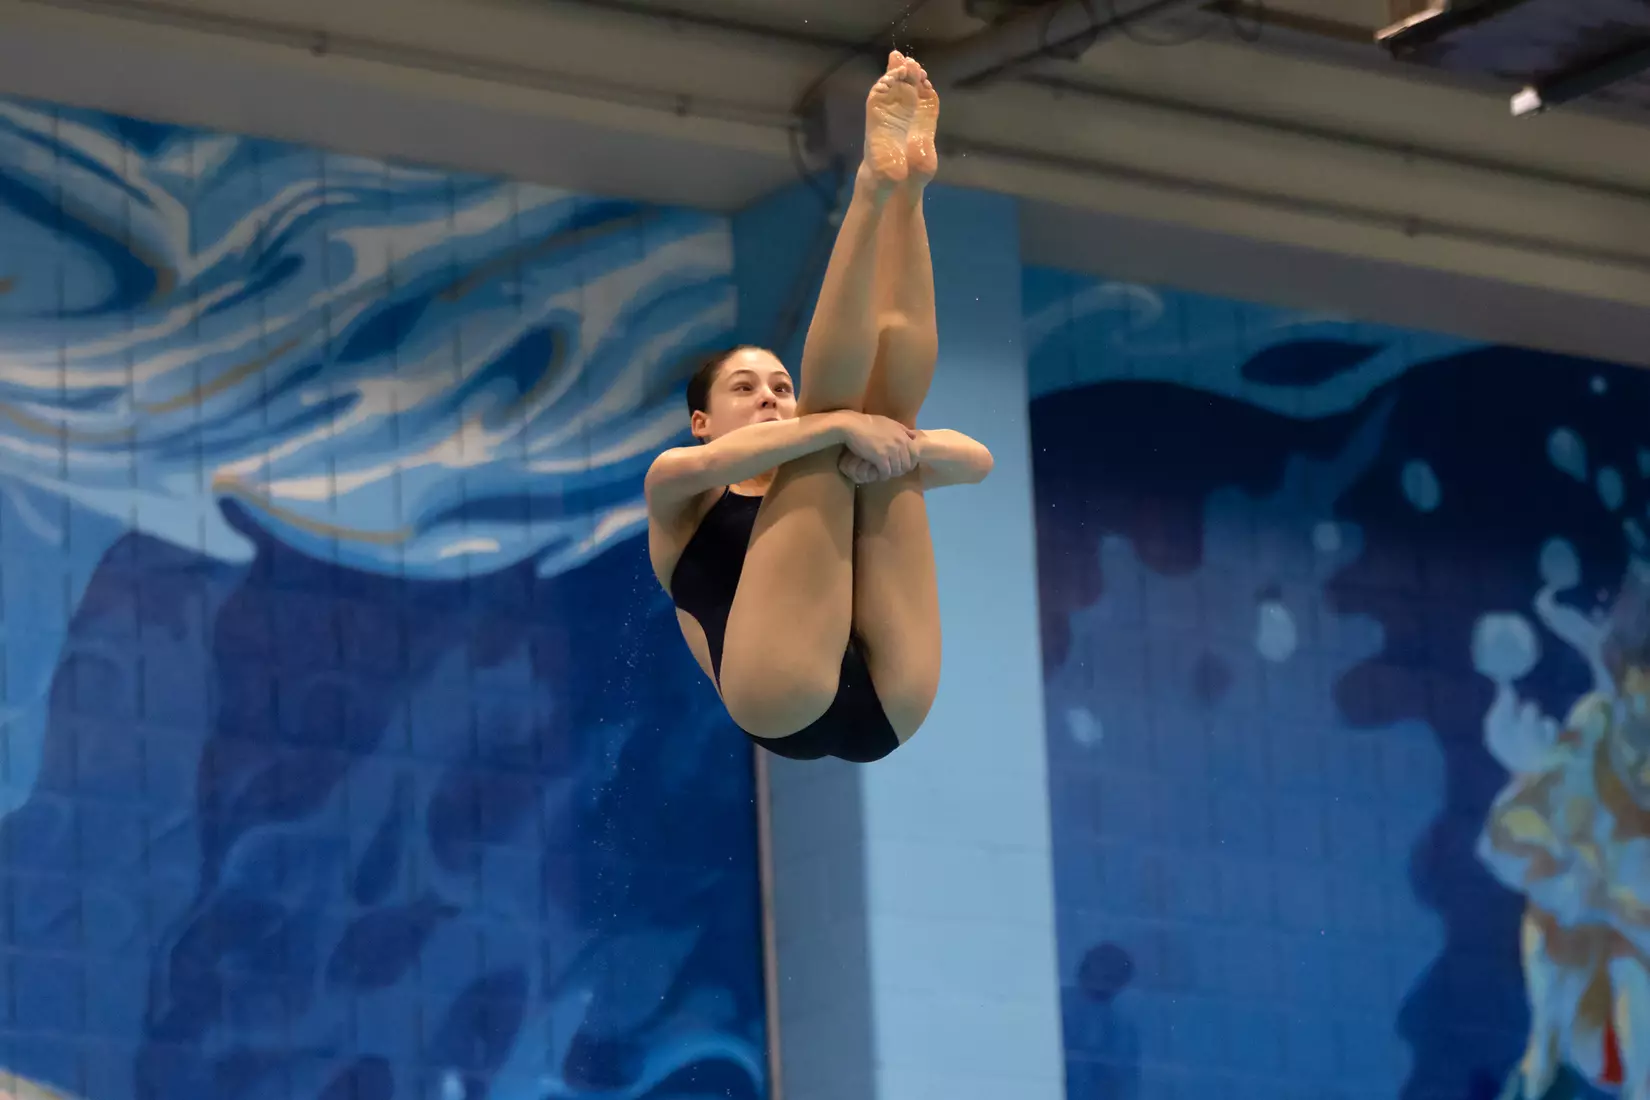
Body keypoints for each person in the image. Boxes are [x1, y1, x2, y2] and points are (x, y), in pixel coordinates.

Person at [644, 51, 993, 763]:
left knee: (881, 429)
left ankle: (909, 191)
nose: (772, 395)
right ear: (702, 419)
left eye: (779, 384)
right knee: (839, 436)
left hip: (891, 698)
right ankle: (870, 186)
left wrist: (887, 443)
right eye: (745, 388)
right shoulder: (680, 486)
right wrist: (837, 424)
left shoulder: (839, 441)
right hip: (780, 697)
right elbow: (739, 456)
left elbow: (977, 462)